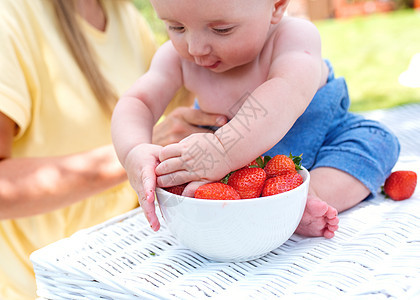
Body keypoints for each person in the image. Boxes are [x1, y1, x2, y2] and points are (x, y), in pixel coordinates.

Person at [111, 0, 400, 239]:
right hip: (238, 171)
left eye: (221, 29)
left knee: (375, 141)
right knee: (196, 184)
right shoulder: (176, 58)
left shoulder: (294, 37)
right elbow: (138, 102)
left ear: (276, 7)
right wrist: (134, 150)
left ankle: (306, 197)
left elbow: (286, 92)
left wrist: (223, 149)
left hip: (324, 141)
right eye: (176, 27)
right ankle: (252, 203)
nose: (195, 47)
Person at [0, 0, 228, 299]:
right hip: (41, 285)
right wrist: (135, 155)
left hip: (123, 275)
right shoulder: (11, 18)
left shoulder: (125, 17)